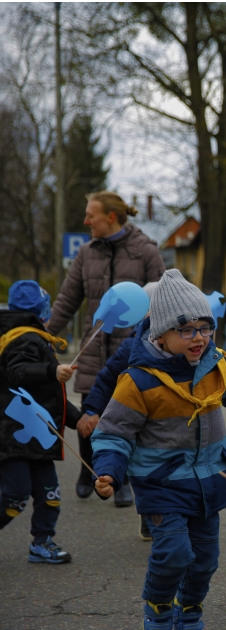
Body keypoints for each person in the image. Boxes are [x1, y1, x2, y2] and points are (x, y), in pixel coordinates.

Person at [90, 269, 226, 630]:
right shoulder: (138, 380)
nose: (199, 337)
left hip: (209, 479)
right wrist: (109, 470)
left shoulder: (215, 364)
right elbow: (113, 432)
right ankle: (157, 610)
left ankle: (189, 613)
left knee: (205, 560)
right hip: (162, 483)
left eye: (205, 327)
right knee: (173, 553)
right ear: (161, 335)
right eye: (186, 329)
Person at [47, 190, 165, 507]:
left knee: (128, 416)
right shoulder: (86, 253)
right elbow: (67, 300)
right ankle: (88, 471)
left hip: (134, 349)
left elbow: (165, 296)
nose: (86, 221)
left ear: (110, 217)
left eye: (91, 215)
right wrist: (40, 336)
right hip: (94, 345)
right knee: (91, 409)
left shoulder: (146, 251)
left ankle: (121, 478)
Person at [0, 281, 80, 563]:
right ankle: (41, 540)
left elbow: (48, 397)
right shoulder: (23, 338)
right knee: (15, 495)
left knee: (50, 493)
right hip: (14, 434)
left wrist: (77, 420)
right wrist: (52, 369)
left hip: (38, 435)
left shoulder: (34, 337)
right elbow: (18, 371)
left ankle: (42, 541)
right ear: (42, 311)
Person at [76, 282, 162, 538]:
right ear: (145, 313)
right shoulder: (132, 346)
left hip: (173, 424)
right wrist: (92, 409)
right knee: (146, 472)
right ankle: (150, 514)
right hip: (141, 425)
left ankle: (168, 515)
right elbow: (105, 379)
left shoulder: (185, 346)